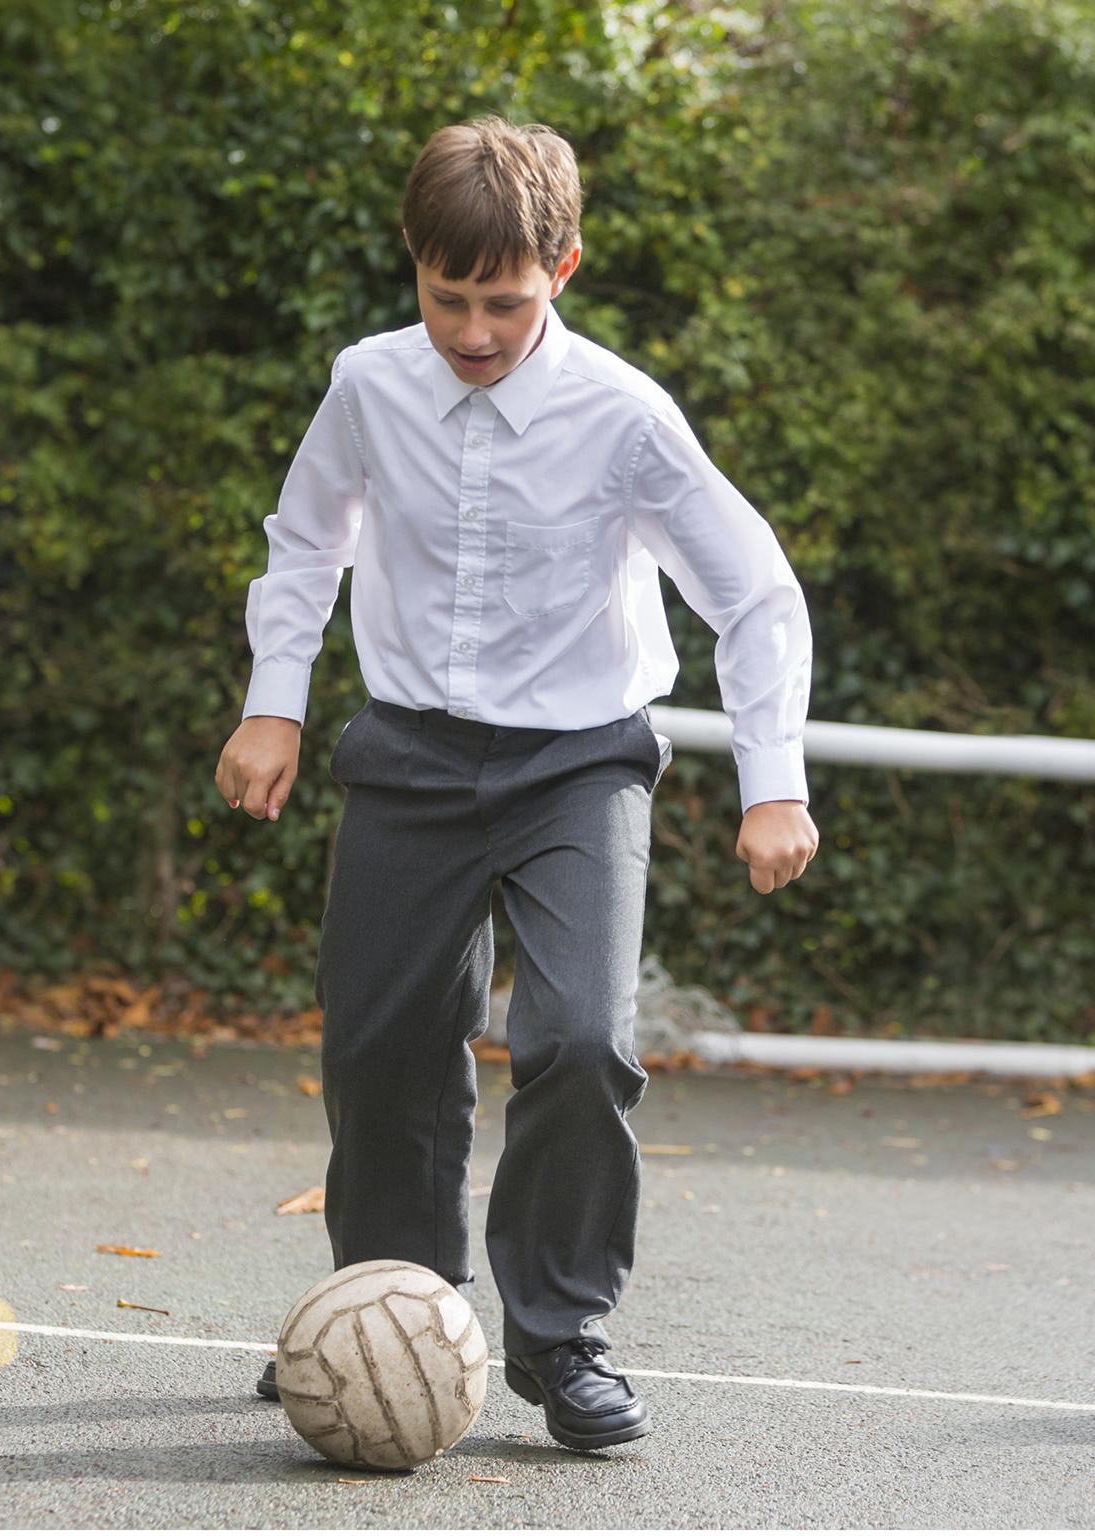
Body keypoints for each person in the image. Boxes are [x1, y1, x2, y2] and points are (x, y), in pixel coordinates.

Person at [215, 116, 817, 1451]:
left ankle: (561, 1338)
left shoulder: (624, 416)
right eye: (449, 298)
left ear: (566, 268)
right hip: (410, 755)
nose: (475, 329)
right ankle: (384, 1304)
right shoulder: (369, 385)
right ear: (414, 268)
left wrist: (772, 781)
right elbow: (306, 541)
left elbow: (755, 592)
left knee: (581, 1039)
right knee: (382, 1049)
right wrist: (275, 705)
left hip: (577, 764)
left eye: (507, 300)